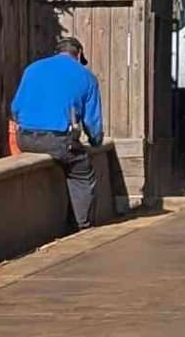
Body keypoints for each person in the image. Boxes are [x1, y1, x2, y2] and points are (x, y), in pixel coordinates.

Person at [7, 37, 109, 228]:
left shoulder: (32, 69)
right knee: (82, 172)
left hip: (25, 138)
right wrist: (95, 141)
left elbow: (15, 109)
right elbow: (92, 123)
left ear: (56, 52)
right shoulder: (87, 77)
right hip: (58, 141)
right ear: (79, 54)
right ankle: (83, 226)